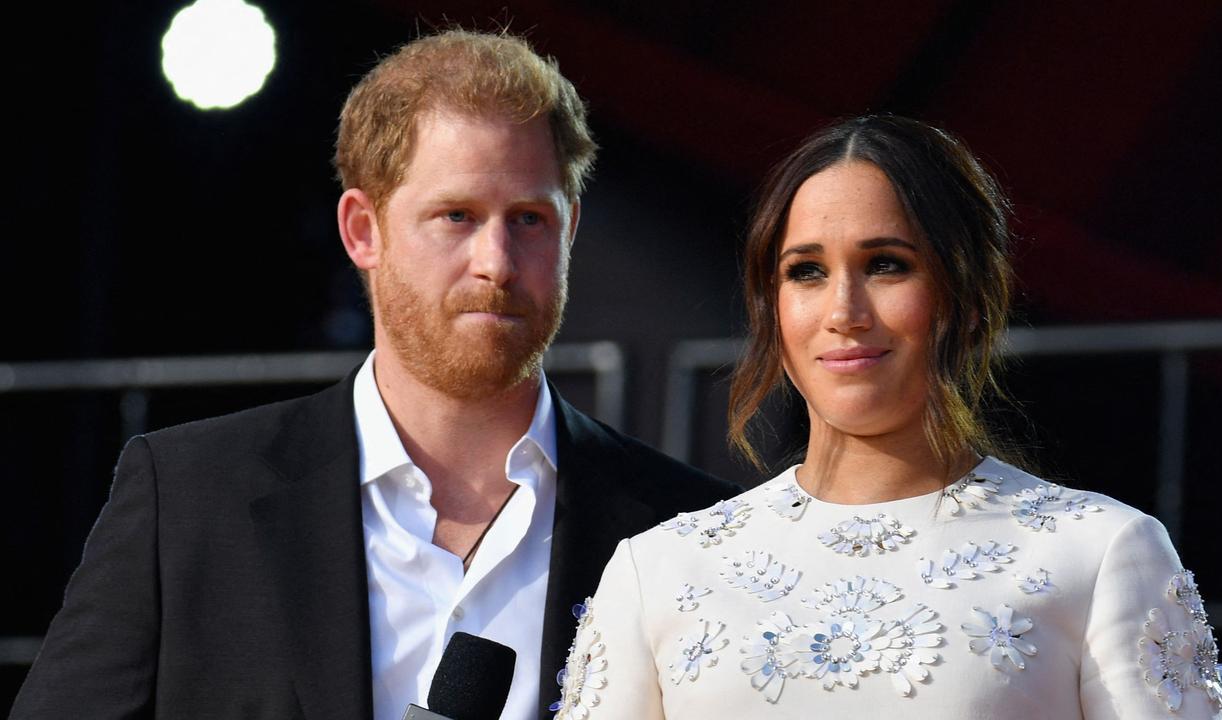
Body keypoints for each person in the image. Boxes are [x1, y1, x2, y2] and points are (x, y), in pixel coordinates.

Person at [13, 30, 737, 720]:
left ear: (570, 228)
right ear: (363, 229)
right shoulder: (191, 500)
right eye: (455, 216)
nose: (496, 262)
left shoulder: (687, 531)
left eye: (527, 220)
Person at [551, 115, 1222, 719]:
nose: (844, 312)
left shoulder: (1099, 553)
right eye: (806, 272)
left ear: (966, 299)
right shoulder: (661, 570)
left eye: (885, 265)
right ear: (772, 309)